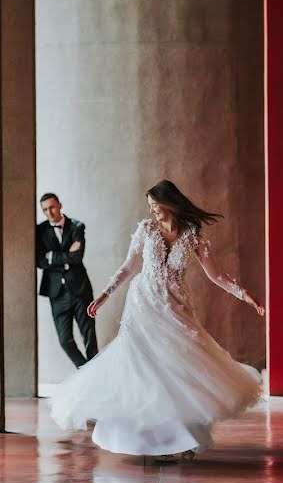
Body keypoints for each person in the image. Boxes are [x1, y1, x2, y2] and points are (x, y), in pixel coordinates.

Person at [49, 180, 265, 461]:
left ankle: (184, 439)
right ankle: (152, 440)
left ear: (170, 204)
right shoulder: (146, 230)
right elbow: (129, 267)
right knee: (146, 372)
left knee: (179, 373)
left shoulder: (193, 235)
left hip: (176, 309)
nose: (153, 212)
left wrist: (246, 296)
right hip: (143, 306)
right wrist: (105, 294)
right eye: (150, 206)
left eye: (157, 206)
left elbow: (217, 276)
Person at [36, 193, 98, 368]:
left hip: (81, 290)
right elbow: (40, 261)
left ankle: (95, 379)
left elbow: (77, 257)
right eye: (45, 209)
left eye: (52, 207)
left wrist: (52, 256)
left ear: (60, 205)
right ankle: (87, 372)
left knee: (89, 338)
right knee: (65, 341)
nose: (49, 212)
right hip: (57, 294)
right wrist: (64, 257)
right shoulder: (39, 231)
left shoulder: (77, 226)